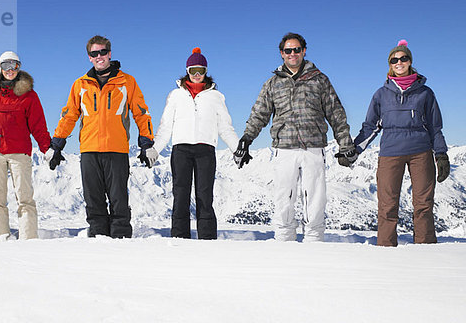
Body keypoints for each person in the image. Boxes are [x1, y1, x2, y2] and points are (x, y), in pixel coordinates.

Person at [234, 32, 356, 242]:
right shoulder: (273, 83)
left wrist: (345, 144)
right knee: (284, 196)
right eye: (288, 50)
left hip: (313, 147)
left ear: (304, 51)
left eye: (296, 50)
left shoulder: (319, 80)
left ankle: (314, 238)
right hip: (284, 148)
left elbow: (335, 113)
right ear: (282, 54)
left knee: (315, 197)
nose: (292, 54)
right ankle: (283, 238)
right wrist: (246, 140)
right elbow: (259, 114)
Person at [51, 35, 155, 238]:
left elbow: (141, 112)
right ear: (89, 57)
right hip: (89, 150)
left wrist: (146, 142)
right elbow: (69, 115)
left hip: (117, 149)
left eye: (102, 52)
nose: (99, 56)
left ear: (109, 54)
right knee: (93, 200)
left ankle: (121, 238)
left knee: (119, 200)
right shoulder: (81, 84)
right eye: (94, 53)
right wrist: (57, 144)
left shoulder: (126, 82)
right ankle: (98, 239)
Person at [353, 40, 450, 246]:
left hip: (421, 152)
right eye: (394, 59)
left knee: (423, 204)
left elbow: (435, 127)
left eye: (403, 58)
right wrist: (353, 151)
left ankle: (426, 250)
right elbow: (370, 127)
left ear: (410, 61)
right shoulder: (381, 94)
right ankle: (386, 250)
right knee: (387, 205)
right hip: (390, 153)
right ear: (390, 64)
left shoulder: (425, 92)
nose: (399, 62)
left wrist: (440, 154)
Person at [151, 48, 239, 239]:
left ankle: (207, 239)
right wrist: (155, 149)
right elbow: (166, 126)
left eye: (201, 70)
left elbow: (225, 127)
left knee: (205, 196)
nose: (197, 75)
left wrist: (237, 148)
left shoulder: (216, 97)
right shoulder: (175, 95)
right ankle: (179, 238)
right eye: (193, 70)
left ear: (206, 71)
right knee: (180, 196)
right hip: (181, 150)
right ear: (187, 71)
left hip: (205, 150)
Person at [0, 51, 52, 240]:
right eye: (6, 65)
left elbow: (38, 126)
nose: (10, 70)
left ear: (19, 67)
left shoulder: (29, 95)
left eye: (14, 65)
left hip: (19, 153)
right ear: (0, 68)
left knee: (25, 198)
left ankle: (29, 238)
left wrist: (47, 149)